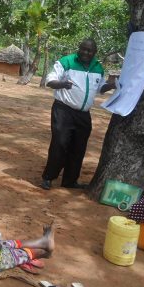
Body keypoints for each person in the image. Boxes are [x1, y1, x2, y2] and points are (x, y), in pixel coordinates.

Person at [40, 39, 115, 190]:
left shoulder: (98, 68)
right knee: (59, 143)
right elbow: (50, 81)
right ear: (78, 48)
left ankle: (70, 181)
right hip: (63, 110)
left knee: (79, 147)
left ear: (94, 53)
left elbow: (100, 88)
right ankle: (48, 177)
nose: (86, 53)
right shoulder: (66, 62)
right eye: (83, 49)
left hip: (83, 114)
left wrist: (113, 85)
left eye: (90, 51)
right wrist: (63, 84)